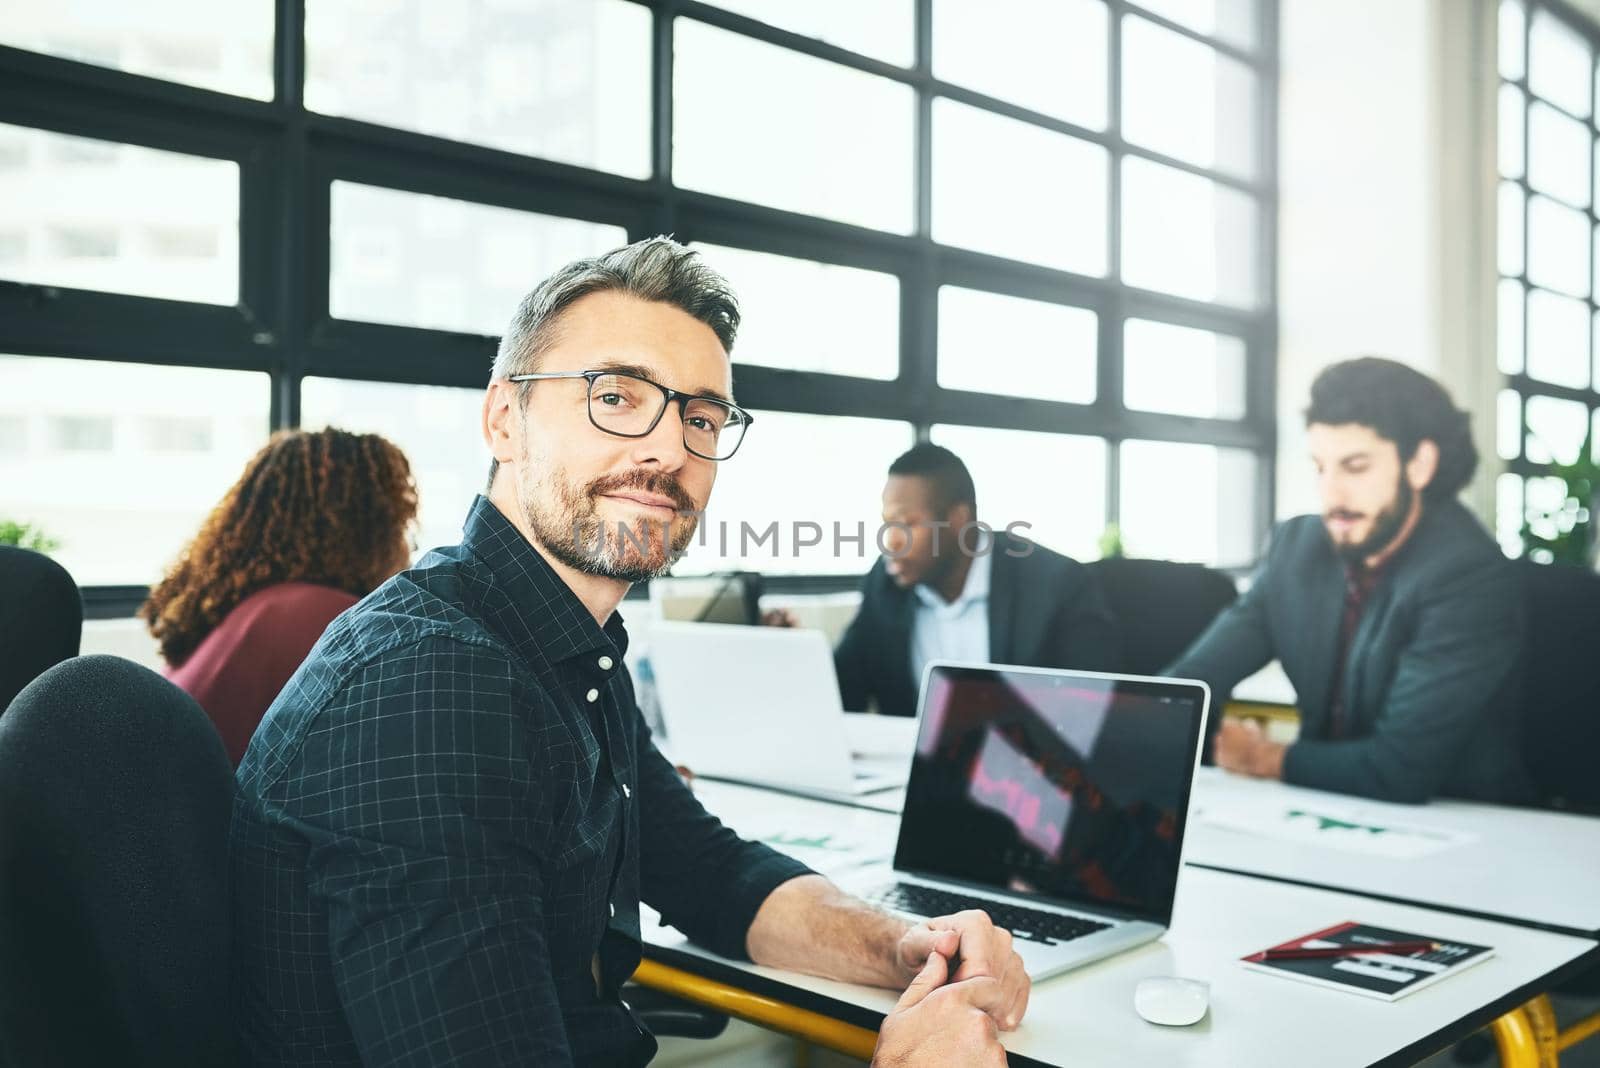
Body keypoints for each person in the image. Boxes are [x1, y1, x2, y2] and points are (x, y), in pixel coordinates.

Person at [229, 238, 1026, 1068]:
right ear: (505, 420)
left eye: (702, 417)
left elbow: (709, 871)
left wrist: (905, 946)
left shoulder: (564, 651)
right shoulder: (430, 685)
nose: (670, 449)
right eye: (616, 397)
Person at [1166, 357, 1532, 805]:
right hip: (1332, 808)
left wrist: (1264, 758)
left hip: (1466, 824)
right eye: (1321, 467)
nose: (1331, 495)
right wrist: (1143, 721)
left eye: (1355, 467)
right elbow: (1189, 685)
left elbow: (1400, 770)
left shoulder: (1467, 575)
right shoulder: (1296, 548)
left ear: (1419, 463)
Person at [141, 428, 416, 766]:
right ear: (368, 530)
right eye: (399, 524)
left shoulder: (249, 605)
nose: (410, 545)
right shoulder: (327, 618)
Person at [826, 443, 1118, 718]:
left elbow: (1095, 709)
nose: (891, 542)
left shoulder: (1055, 585)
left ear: (958, 519)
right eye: (887, 523)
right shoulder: (886, 584)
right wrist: (792, 648)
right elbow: (841, 693)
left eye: (906, 523)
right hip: (915, 769)